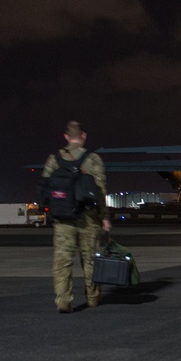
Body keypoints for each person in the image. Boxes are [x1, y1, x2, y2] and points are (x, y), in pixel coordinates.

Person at [41, 120, 111, 313]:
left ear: (65, 136)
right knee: (90, 260)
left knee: (62, 260)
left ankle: (63, 300)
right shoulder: (93, 159)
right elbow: (100, 191)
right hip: (88, 218)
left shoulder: (54, 159)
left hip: (63, 219)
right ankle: (93, 297)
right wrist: (104, 217)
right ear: (83, 136)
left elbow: (46, 187)